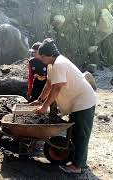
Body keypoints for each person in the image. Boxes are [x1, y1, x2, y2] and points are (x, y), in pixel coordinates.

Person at [34, 38, 96, 174]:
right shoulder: (52, 65)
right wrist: (40, 100)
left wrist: (44, 107)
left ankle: (78, 166)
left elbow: (56, 89)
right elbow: (49, 85)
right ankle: (75, 158)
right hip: (76, 102)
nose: (40, 59)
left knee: (81, 134)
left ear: (49, 55)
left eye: (42, 56)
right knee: (73, 132)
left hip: (84, 101)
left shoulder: (60, 64)